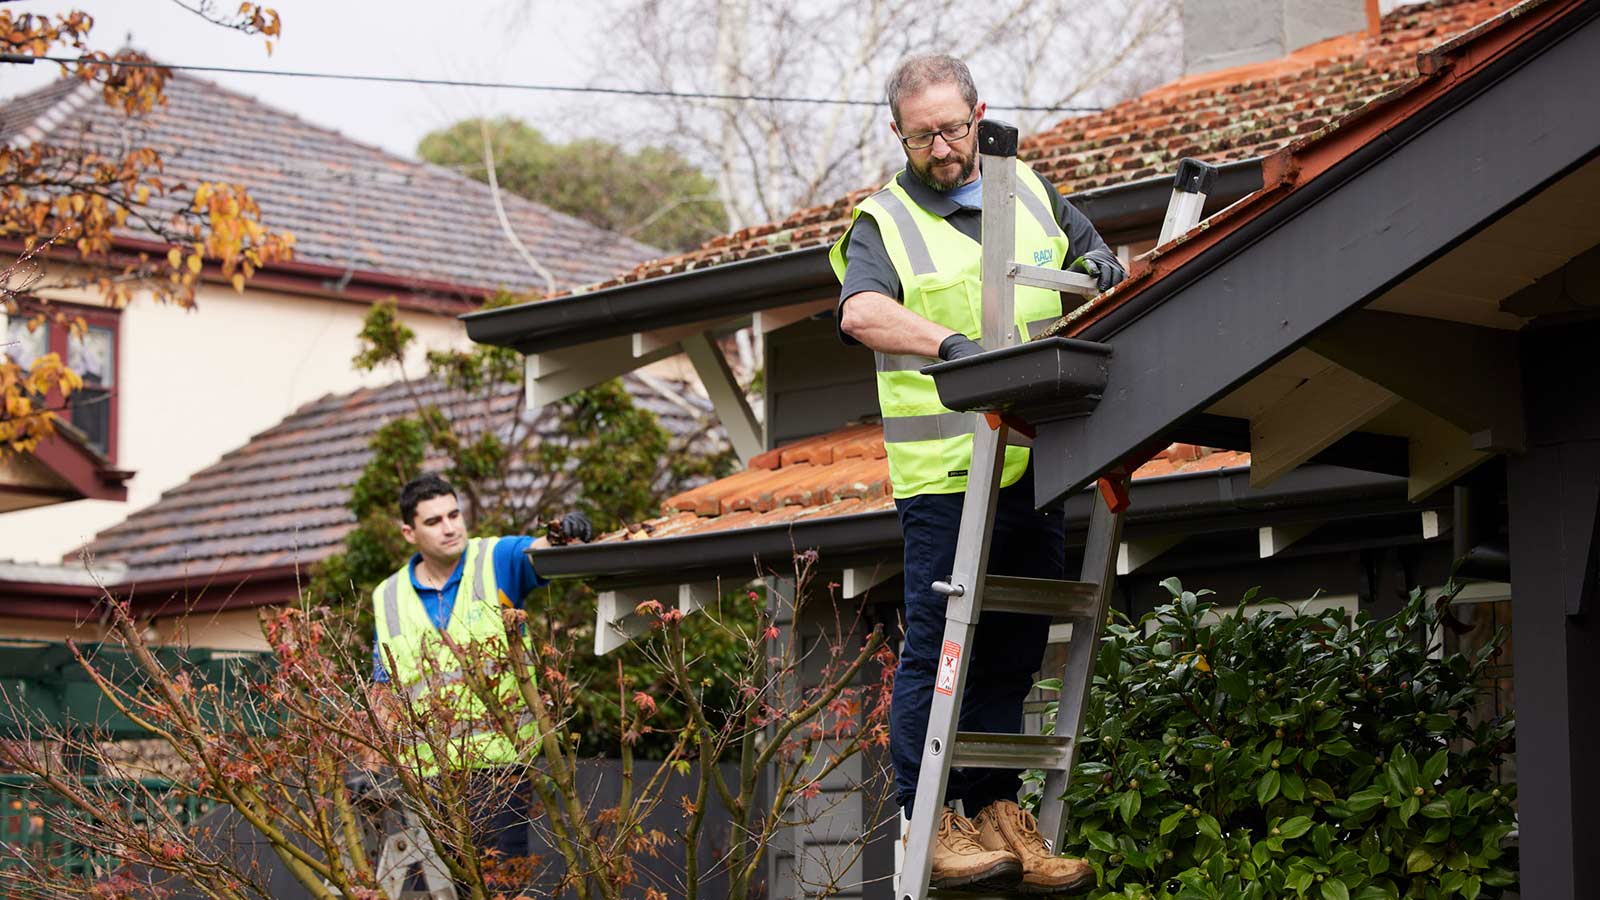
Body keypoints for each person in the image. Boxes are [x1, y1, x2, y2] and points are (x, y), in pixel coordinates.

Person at [828, 54, 1125, 894]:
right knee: (939, 648)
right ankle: (932, 817)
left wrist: (1102, 270)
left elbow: (1096, 253)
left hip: (1038, 459)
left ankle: (997, 810)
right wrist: (948, 346)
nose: (943, 148)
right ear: (899, 134)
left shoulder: (1030, 189)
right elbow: (859, 311)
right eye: (922, 136)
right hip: (946, 473)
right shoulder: (880, 221)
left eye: (955, 129)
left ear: (982, 114)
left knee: (1016, 643)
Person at [371, 473, 592, 879]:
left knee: (499, 887)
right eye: (434, 521)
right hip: (425, 781)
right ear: (409, 532)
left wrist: (566, 533)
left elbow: (542, 549)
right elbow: (383, 687)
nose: (450, 527)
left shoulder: (496, 559)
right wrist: (369, 767)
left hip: (500, 772)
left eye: (454, 514)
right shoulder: (387, 596)